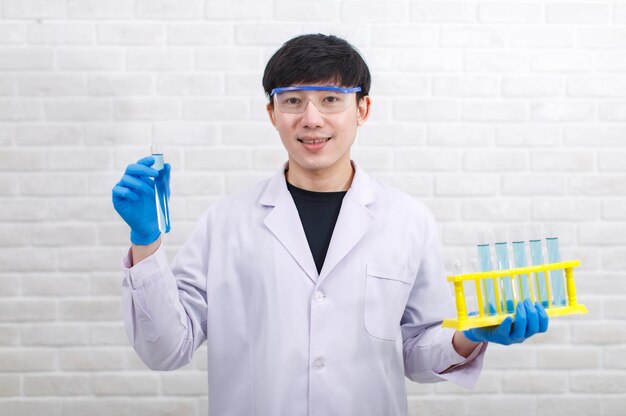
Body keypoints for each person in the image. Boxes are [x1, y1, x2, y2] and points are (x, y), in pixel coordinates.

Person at [112, 34, 548, 416]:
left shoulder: (407, 221)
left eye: (331, 100)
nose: (312, 119)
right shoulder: (225, 223)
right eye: (293, 101)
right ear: (272, 113)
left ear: (363, 109)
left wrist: (469, 337)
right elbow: (165, 349)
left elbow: (415, 354)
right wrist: (146, 242)